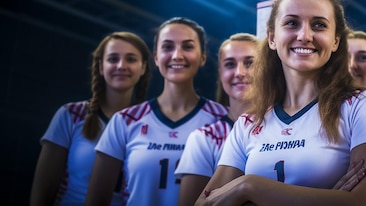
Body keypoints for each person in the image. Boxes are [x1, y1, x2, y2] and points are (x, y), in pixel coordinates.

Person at [195, 0, 366, 206]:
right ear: (272, 38)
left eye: (319, 25)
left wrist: (249, 186)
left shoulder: (362, 104)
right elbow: (205, 203)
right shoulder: (247, 124)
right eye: (291, 23)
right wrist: (330, 198)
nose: (305, 35)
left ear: (335, 41)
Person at [85, 17, 228, 206]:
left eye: (187, 47)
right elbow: (96, 200)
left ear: (202, 57)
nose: (177, 55)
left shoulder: (225, 120)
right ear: (155, 57)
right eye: (168, 47)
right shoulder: (125, 120)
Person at [29, 31, 151, 206]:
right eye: (113, 59)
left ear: (143, 67)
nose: (121, 65)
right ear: (101, 67)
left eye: (131, 59)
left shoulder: (152, 123)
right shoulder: (71, 114)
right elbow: (41, 194)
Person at [176, 33, 258, 206]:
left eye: (249, 63)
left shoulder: (284, 127)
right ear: (220, 72)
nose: (239, 72)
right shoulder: (203, 138)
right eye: (230, 64)